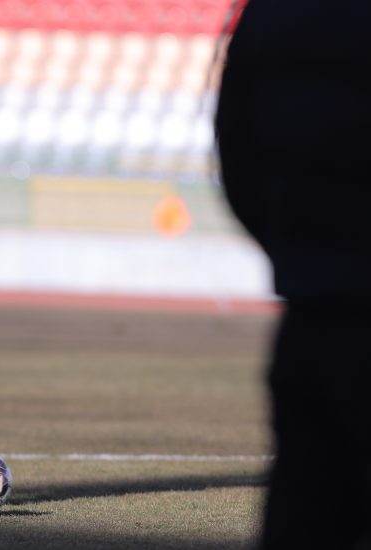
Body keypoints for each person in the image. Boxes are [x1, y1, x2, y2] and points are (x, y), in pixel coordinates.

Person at [216, 1, 371, 548]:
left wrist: (299, 256)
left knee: (306, 505)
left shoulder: (273, 14)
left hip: (313, 303)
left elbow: (235, 148)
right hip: (326, 292)